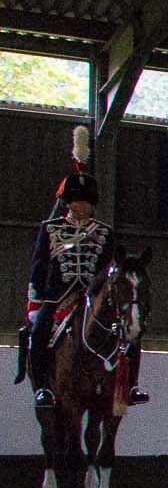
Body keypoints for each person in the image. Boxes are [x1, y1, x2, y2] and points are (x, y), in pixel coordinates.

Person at [21, 126, 148, 409]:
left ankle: (132, 385)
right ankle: (43, 386)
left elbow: (108, 266)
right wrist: (37, 299)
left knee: (131, 330)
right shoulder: (51, 228)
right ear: (68, 202)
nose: (82, 207)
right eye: (77, 201)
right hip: (58, 295)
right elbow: (39, 265)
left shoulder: (103, 232)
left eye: (87, 203)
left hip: (94, 294)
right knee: (40, 328)